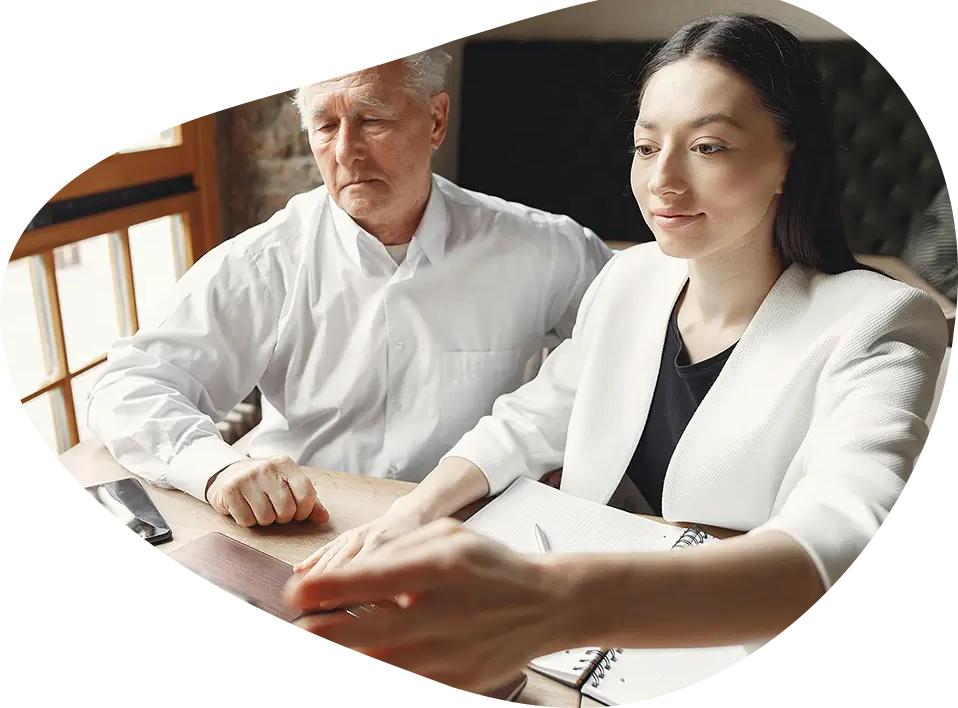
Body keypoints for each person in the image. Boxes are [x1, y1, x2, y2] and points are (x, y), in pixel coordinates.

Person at [285, 14, 949, 695]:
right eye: (646, 146)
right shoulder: (631, 278)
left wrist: (557, 600)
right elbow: (531, 419)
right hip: (569, 654)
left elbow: (835, 545)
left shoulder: (878, 322)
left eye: (709, 146)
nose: (664, 180)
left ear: (789, 158)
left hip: (734, 662)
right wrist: (408, 515)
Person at [86, 45, 613, 529]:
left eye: (373, 119)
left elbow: (633, 345)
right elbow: (129, 385)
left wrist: (571, 451)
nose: (345, 151)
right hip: (304, 529)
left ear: (435, 120)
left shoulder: (543, 248)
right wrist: (215, 468)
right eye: (324, 125)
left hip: (470, 532)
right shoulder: (265, 261)